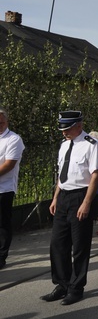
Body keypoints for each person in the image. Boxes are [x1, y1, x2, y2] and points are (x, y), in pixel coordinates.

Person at [40, 111, 98, 306]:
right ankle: (62, 284)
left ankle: (76, 288)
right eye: (62, 129)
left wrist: (86, 202)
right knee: (58, 244)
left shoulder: (91, 145)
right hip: (64, 197)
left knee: (80, 246)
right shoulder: (64, 145)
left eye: (67, 128)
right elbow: (62, 174)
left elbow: (96, 175)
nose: (64, 132)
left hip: (80, 196)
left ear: (79, 125)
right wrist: (55, 198)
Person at [0, 107, 24, 270]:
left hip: (3, 189)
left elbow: (9, 164)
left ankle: (1, 256)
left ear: (6, 122)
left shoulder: (13, 139)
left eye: (1, 122)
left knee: (2, 224)